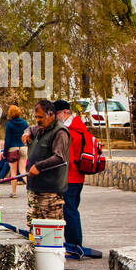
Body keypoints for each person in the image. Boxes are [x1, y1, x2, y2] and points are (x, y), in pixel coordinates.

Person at [26, 99, 71, 231]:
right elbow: (30, 128)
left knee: (50, 229)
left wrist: (38, 166)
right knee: (33, 227)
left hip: (50, 192)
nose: (37, 120)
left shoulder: (60, 132)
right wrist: (26, 132)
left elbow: (59, 157)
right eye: (35, 117)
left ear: (51, 115)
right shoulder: (39, 129)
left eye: (40, 117)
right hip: (34, 189)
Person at [55, 99, 90, 248]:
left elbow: (65, 157)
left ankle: (74, 244)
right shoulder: (79, 128)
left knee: (69, 211)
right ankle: (73, 242)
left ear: (64, 113)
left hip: (69, 176)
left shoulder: (69, 131)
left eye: (56, 114)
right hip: (78, 176)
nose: (55, 117)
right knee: (72, 209)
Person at [2, 104, 28, 198]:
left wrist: (5, 153)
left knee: (13, 172)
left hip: (13, 148)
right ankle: (31, 189)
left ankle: (13, 193)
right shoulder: (25, 123)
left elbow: (7, 140)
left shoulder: (9, 124)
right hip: (23, 147)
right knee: (23, 170)